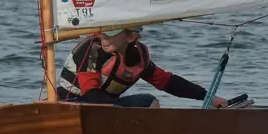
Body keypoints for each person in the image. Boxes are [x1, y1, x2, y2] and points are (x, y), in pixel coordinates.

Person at [56, 26, 226, 108]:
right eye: (102, 33)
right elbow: (90, 93)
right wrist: (126, 112)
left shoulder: (139, 56)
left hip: (107, 111)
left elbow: (168, 82)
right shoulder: (91, 48)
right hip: (71, 106)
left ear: (131, 37)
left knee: (149, 102)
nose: (103, 38)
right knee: (147, 103)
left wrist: (209, 97)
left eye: (110, 34)